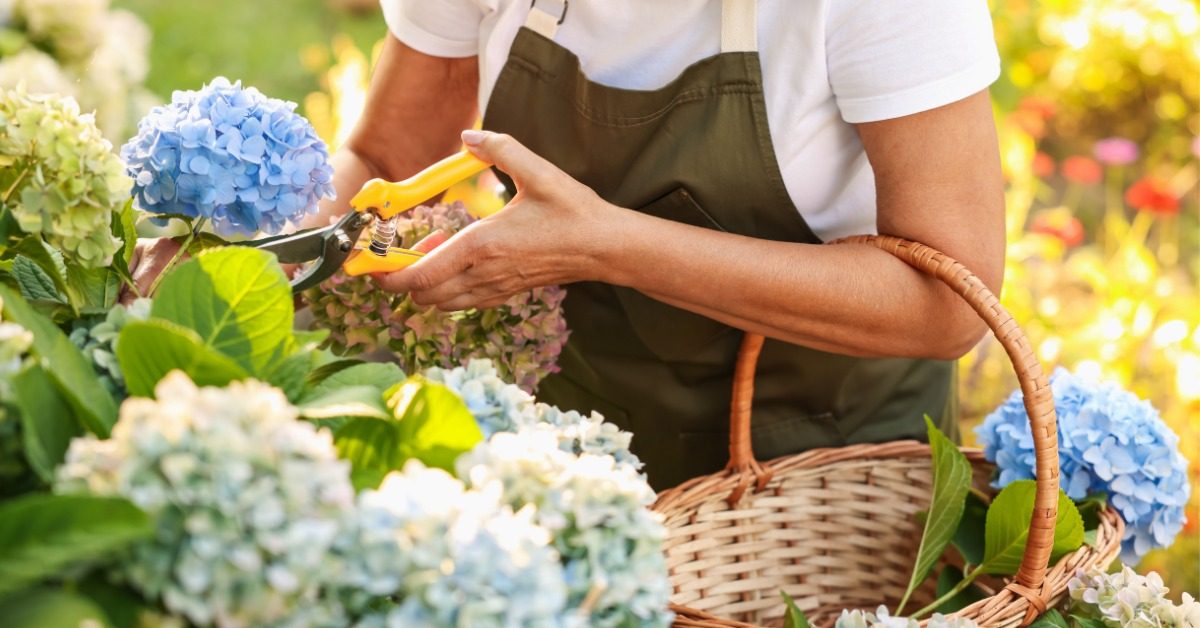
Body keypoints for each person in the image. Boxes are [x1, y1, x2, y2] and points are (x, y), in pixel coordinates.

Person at [140, 0, 1006, 491]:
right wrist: (254, 247)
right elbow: (389, 159)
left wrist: (608, 245)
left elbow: (947, 303)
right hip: (568, 441)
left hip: (820, 471)